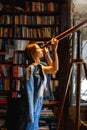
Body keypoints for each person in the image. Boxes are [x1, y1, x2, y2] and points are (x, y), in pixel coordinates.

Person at [18, 38, 59, 130]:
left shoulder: (40, 66)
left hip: (38, 100)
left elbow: (53, 68)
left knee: (34, 125)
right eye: (38, 49)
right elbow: (55, 68)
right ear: (33, 54)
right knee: (30, 125)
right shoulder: (33, 68)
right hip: (32, 102)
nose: (41, 49)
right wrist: (54, 49)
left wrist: (48, 54)